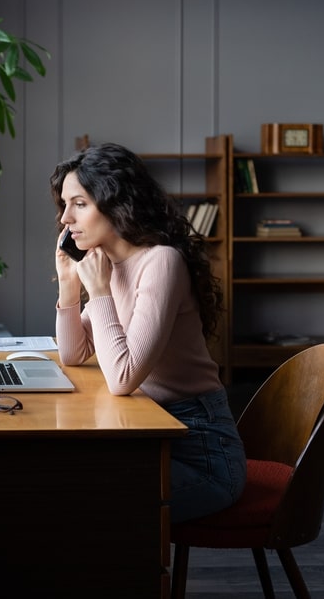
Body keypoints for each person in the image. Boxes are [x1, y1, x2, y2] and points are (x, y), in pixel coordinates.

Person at [50, 142, 245, 523]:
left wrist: (101, 291)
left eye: (79, 203)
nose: (65, 220)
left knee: (78, 498)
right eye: (64, 205)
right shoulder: (110, 264)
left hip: (201, 454)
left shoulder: (161, 261)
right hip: (150, 433)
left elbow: (123, 378)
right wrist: (69, 284)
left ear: (115, 202)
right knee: (61, 482)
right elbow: (73, 355)